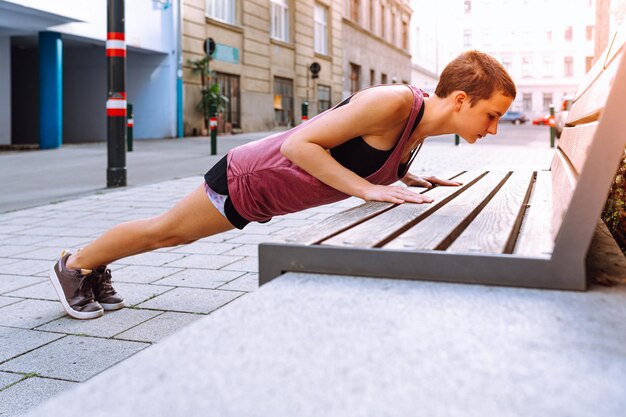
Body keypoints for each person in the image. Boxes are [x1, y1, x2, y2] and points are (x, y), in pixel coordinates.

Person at [48, 50, 516, 319]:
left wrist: (402, 174)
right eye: (491, 114)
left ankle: (91, 267)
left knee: (167, 232)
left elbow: (361, 153)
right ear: (460, 99)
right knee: (166, 232)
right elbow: (300, 146)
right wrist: (368, 190)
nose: (493, 128)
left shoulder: (417, 124)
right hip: (247, 178)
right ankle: (76, 264)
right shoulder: (393, 103)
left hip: (267, 192)